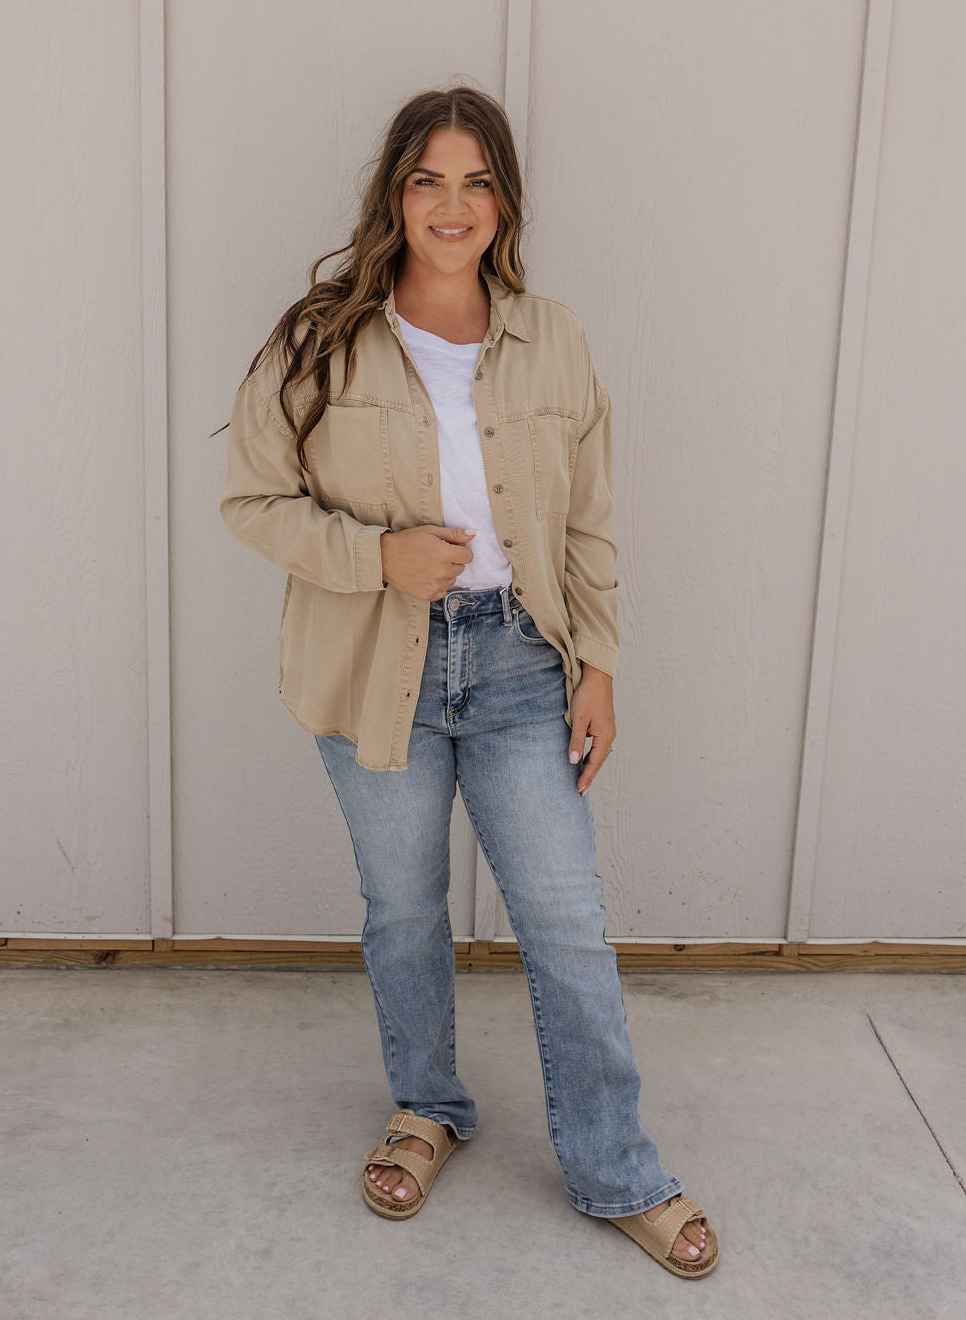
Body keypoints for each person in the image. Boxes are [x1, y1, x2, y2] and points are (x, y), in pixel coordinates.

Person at [219, 86, 718, 1279]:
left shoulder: (554, 337)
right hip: (372, 662)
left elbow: (587, 519)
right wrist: (375, 557)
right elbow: (251, 500)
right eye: (429, 180)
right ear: (395, 194)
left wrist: (599, 663)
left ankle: (615, 1165)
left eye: (478, 181)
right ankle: (426, 1106)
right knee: (402, 907)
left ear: (505, 200)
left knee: (563, 913)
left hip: (518, 661)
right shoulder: (319, 337)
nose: (454, 205)